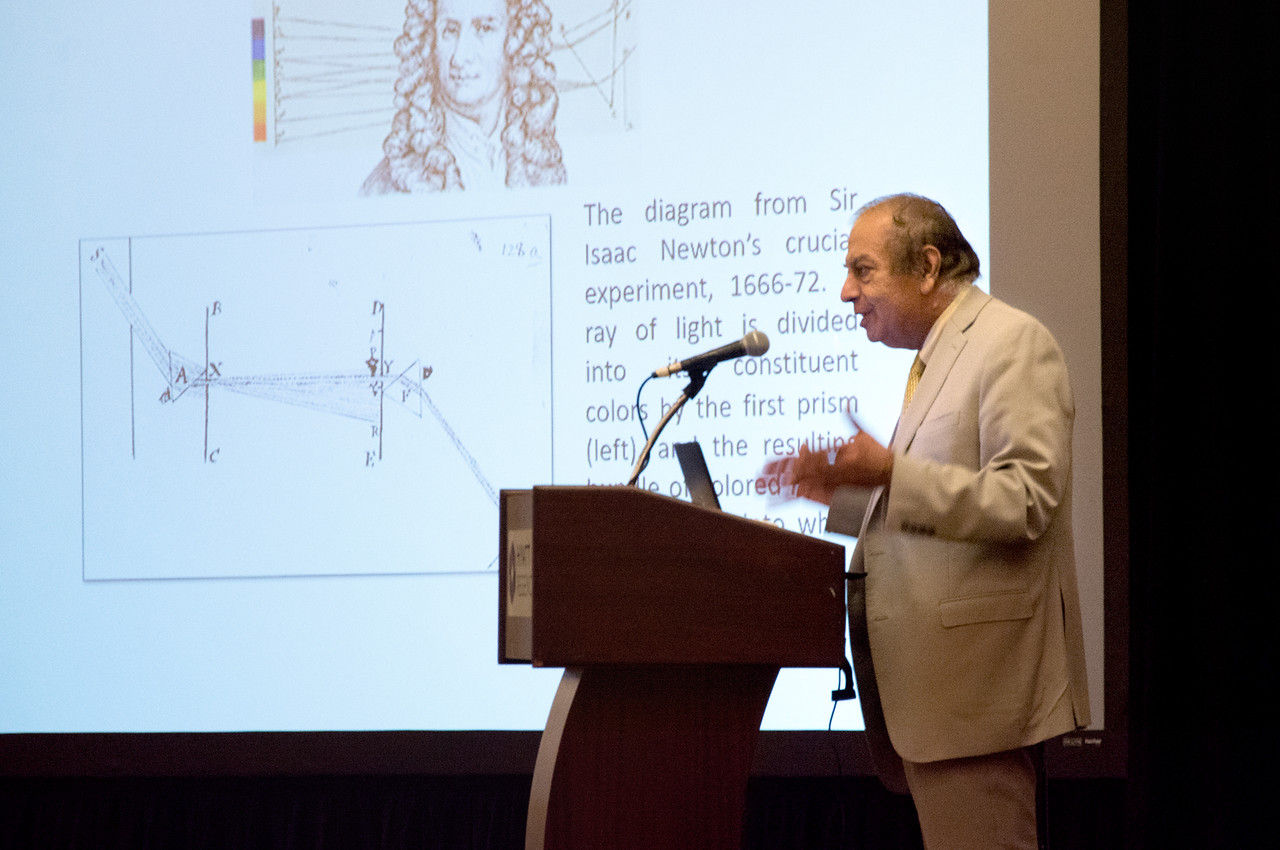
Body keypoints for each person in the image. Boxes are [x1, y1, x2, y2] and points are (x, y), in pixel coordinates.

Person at [767, 194, 1090, 849]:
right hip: (935, 696)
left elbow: (1026, 499)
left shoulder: (1010, 342)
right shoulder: (937, 358)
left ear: (928, 266)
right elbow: (930, 507)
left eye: (862, 270)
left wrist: (890, 472)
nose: (845, 292)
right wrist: (839, 496)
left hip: (976, 694)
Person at [361, 0, 567, 194]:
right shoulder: (391, 184)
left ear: (516, 38)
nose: (460, 57)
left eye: (484, 28)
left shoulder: (543, 164)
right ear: (430, 42)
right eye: (449, 31)